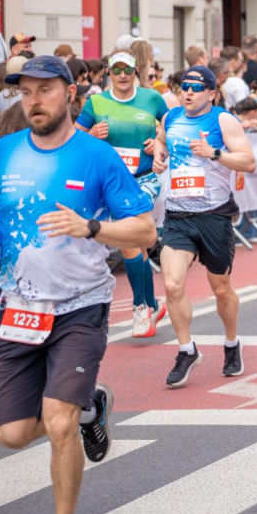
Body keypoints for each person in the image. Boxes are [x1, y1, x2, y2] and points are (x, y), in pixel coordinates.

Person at [0, 55, 156, 514]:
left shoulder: (97, 157)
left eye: (44, 90)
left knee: (58, 419)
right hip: (19, 307)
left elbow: (144, 230)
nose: (33, 100)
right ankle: (93, 406)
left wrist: (91, 228)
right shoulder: (4, 152)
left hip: (80, 307)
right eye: (25, 91)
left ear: (70, 94)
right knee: (11, 434)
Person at [153, 65, 255, 386]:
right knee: (172, 285)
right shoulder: (171, 117)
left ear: (211, 93)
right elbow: (161, 141)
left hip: (214, 215)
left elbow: (249, 161)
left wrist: (214, 153)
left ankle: (231, 343)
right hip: (178, 216)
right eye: (185, 86)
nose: (188, 92)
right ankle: (186, 350)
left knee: (221, 289)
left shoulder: (223, 120)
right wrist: (158, 154)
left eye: (196, 88)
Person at [75, 51, 170, 337]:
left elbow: (173, 128)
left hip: (144, 178)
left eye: (127, 69)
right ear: (108, 73)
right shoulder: (96, 102)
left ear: (135, 71)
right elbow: (71, 139)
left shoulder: (152, 98)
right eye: (116, 69)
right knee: (135, 242)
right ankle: (152, 304)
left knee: (130, 240)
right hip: (111, 182)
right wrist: (92, 135)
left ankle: (140, 308)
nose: (122, 75)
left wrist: (160, 143)